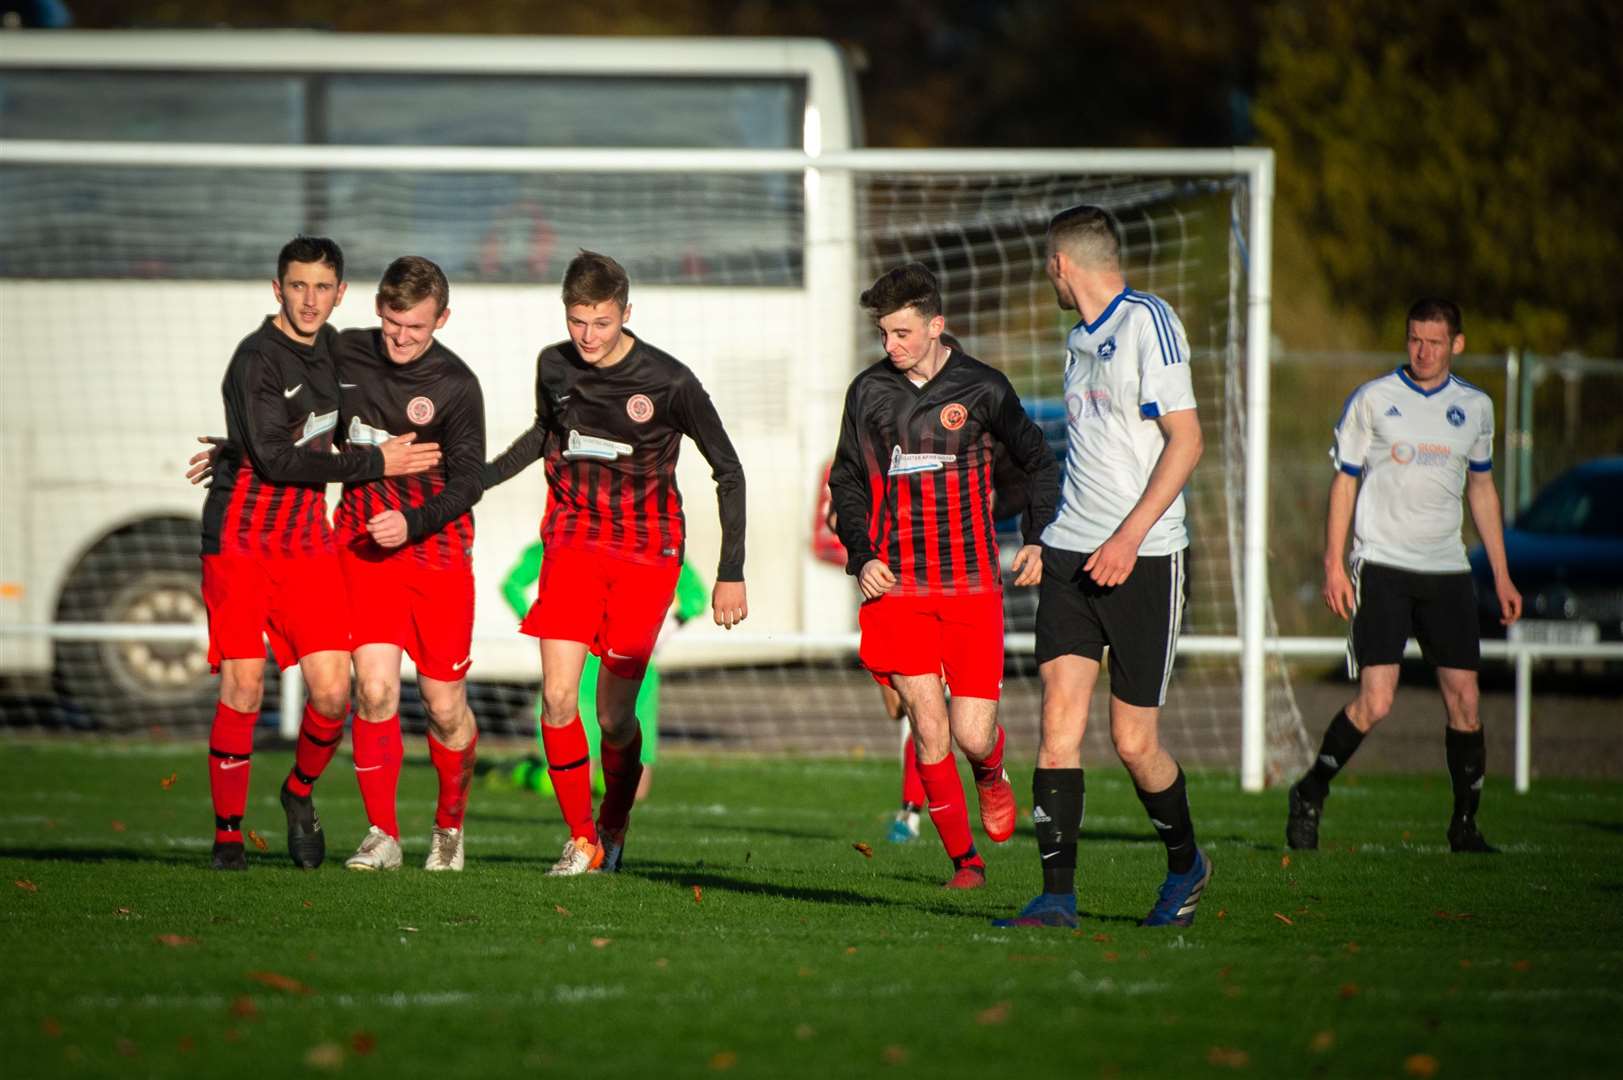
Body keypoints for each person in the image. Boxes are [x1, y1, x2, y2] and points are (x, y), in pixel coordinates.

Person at [483, 249, 748, 876]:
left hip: (645, 556)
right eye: (578, 321)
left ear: (626, 313)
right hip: (572, 545)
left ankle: (615, 820)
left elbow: (728, 469)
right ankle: (582, 839)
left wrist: (729, 572)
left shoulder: (669, 380)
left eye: (602, 322)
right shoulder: (553, 365)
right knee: (556, 697)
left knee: (613, 715)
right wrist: (478, 478)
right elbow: (545, 435)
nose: (589, 337)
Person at [996, 205, 1209, 930]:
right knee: (1057, 723)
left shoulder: (1146, 319)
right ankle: (1056, 897)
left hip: (1143, 558)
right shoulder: (1076, 340)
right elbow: (1083, 459)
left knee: (1132, 742)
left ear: (1061, 264)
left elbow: (1186, 441)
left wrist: (1125, 538)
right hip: (1068, 557)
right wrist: (1046, 536)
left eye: (1045, 267)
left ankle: (1185, 863)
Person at [196, 236, 440, 872]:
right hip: (241, 545)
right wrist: (376, 461)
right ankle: (227, 835)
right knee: (245, 686)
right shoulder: (255, 360)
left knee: (334, 694)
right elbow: (276, 458)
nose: (310, 299)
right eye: (298, 286)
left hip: (307, 545)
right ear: (277, 289)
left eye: (322, 288)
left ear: (341, 293)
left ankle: (298, 793)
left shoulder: (338, 349)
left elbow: (401, 358)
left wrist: (232, 443)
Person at [828, 263, 1060, 890]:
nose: (891, 346)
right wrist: (861, 554)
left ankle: (990, 771)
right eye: (884, 334)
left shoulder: (983, 388)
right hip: (898, 587)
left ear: (937, 325)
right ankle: (966, 863)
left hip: (970, 588)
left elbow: (1037, 462)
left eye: (902, 333)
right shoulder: (868, 393)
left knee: (969, 732)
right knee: (927, 728)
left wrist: (1035, 538)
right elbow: (845, 479)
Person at [1287, 298, 1521, 854]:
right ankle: (1310, 791)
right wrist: (1333, 562)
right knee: (1377, 700)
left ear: (1456, 344)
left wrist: (1504, 575)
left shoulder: (1476, 408)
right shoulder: (1373, 400)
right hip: (1383, 566)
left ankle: (1464, 825)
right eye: (1415, 338)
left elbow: (1481, 488)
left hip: (1447, 570)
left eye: (1435, 342)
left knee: (1465, 698)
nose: (1423, 350)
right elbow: (1344, 482)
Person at [329, 256, 486, 873]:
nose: (401, 337)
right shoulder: (343, 358)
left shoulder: (455, 385)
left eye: (415, 328)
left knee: (445, 708)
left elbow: (469, 481)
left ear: (441, 319)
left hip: (438, 556)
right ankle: (382, 834)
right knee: (371, 689)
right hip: (364, 550)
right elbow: (298, 430)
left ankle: (448, 827)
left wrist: (413, 522)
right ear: (378, 309)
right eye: (393, 322)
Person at [501, 540, 708, 801]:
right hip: (584, 664)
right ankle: (521, 771)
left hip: (634, 662)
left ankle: (595, 790)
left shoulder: (654, 540)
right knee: (577, 780)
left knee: (633, 790)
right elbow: (512, 585)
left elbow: (696, 595)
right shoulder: (567, 537)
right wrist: (545, 630)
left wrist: (665, 631)